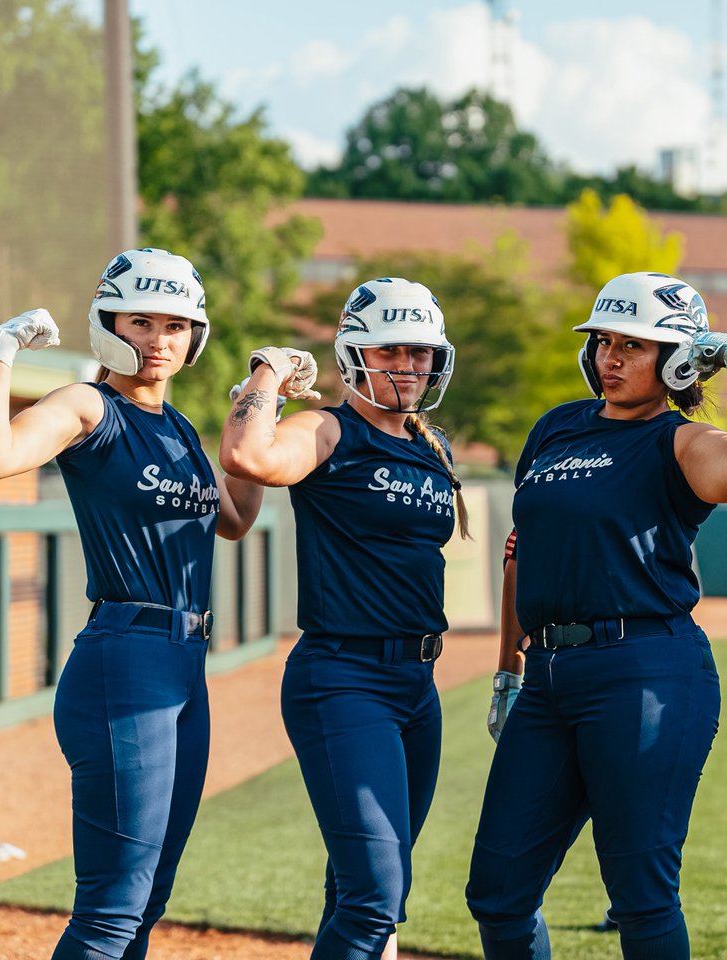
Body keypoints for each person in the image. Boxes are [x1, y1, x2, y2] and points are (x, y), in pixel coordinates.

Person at [0, 247, 270, 959]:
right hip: (125, 659)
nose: (159, 341)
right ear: (106, 323)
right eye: (141, 322)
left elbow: (236, 515)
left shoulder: (182, 427)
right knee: (111, 907)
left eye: (176, 325)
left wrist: (260, 401)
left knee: (148, 899)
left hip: (186, 663)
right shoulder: (87, 404)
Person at [466, 271, 727, 960]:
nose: (610, 358)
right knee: (496, 890)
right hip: (547, 677)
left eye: (632, 346)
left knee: (640, 895)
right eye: (604, 342)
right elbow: (522, 552)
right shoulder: (555, 428)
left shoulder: (680, 441)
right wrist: (506, 672)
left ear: (674, 359)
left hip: (645, 672)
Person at [219, 276, 469, 960]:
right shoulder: (327, 429)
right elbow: (247, 456)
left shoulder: (431, 446)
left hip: (418, 686)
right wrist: (268, 374)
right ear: (356, 354)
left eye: (421, 353)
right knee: (375, 900)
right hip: (343, 677)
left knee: (362, 888)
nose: (410, 367)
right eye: (393, 351)